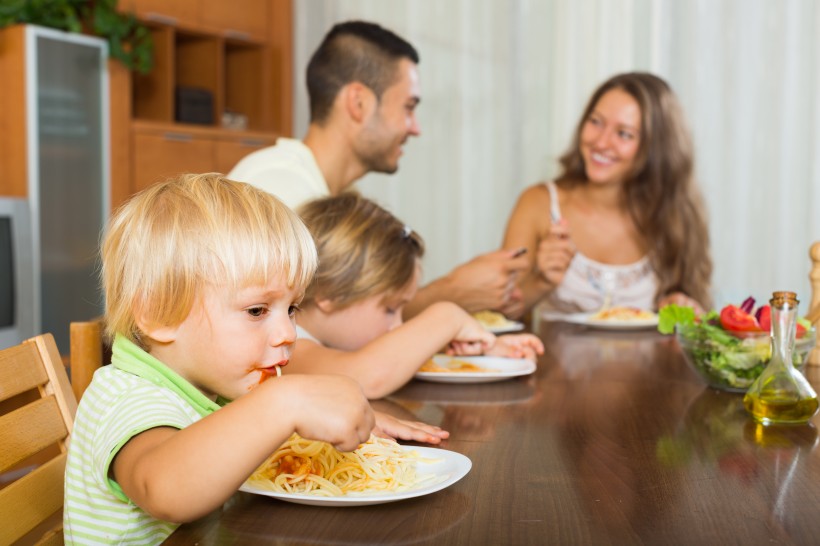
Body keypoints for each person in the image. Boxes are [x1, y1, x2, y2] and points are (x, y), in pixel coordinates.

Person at [63, 174, 446, 544]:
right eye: (257, 311)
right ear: (160, 314)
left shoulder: (213, 383)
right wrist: (285, 402)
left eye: (292, 308)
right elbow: (164, 489)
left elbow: (239, 441)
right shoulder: (125, 397)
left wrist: (334, 417)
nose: (289, 333)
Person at [228, 20, 528, 318]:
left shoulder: (330, 193)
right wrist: (452, 293)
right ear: (358, 103)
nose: (416, 128)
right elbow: (308, 333)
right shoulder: (277, 187)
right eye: (408, 107)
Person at [290, 192, 544, 399]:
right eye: (390, 309)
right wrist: (448, 317)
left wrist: (485, 349)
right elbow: (366, 376)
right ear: (329, 293)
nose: (398, 325)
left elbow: (385, 354)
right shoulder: (285, 346)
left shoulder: (322, 340)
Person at [502, 72, 712, 318]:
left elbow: (700, 325)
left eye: (624, 134)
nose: (601, 142)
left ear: (656, 148)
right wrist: (541, 282)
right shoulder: (538, 204)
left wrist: (685, 309)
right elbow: (499, 315)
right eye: (596, 122)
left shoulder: (676, 215)